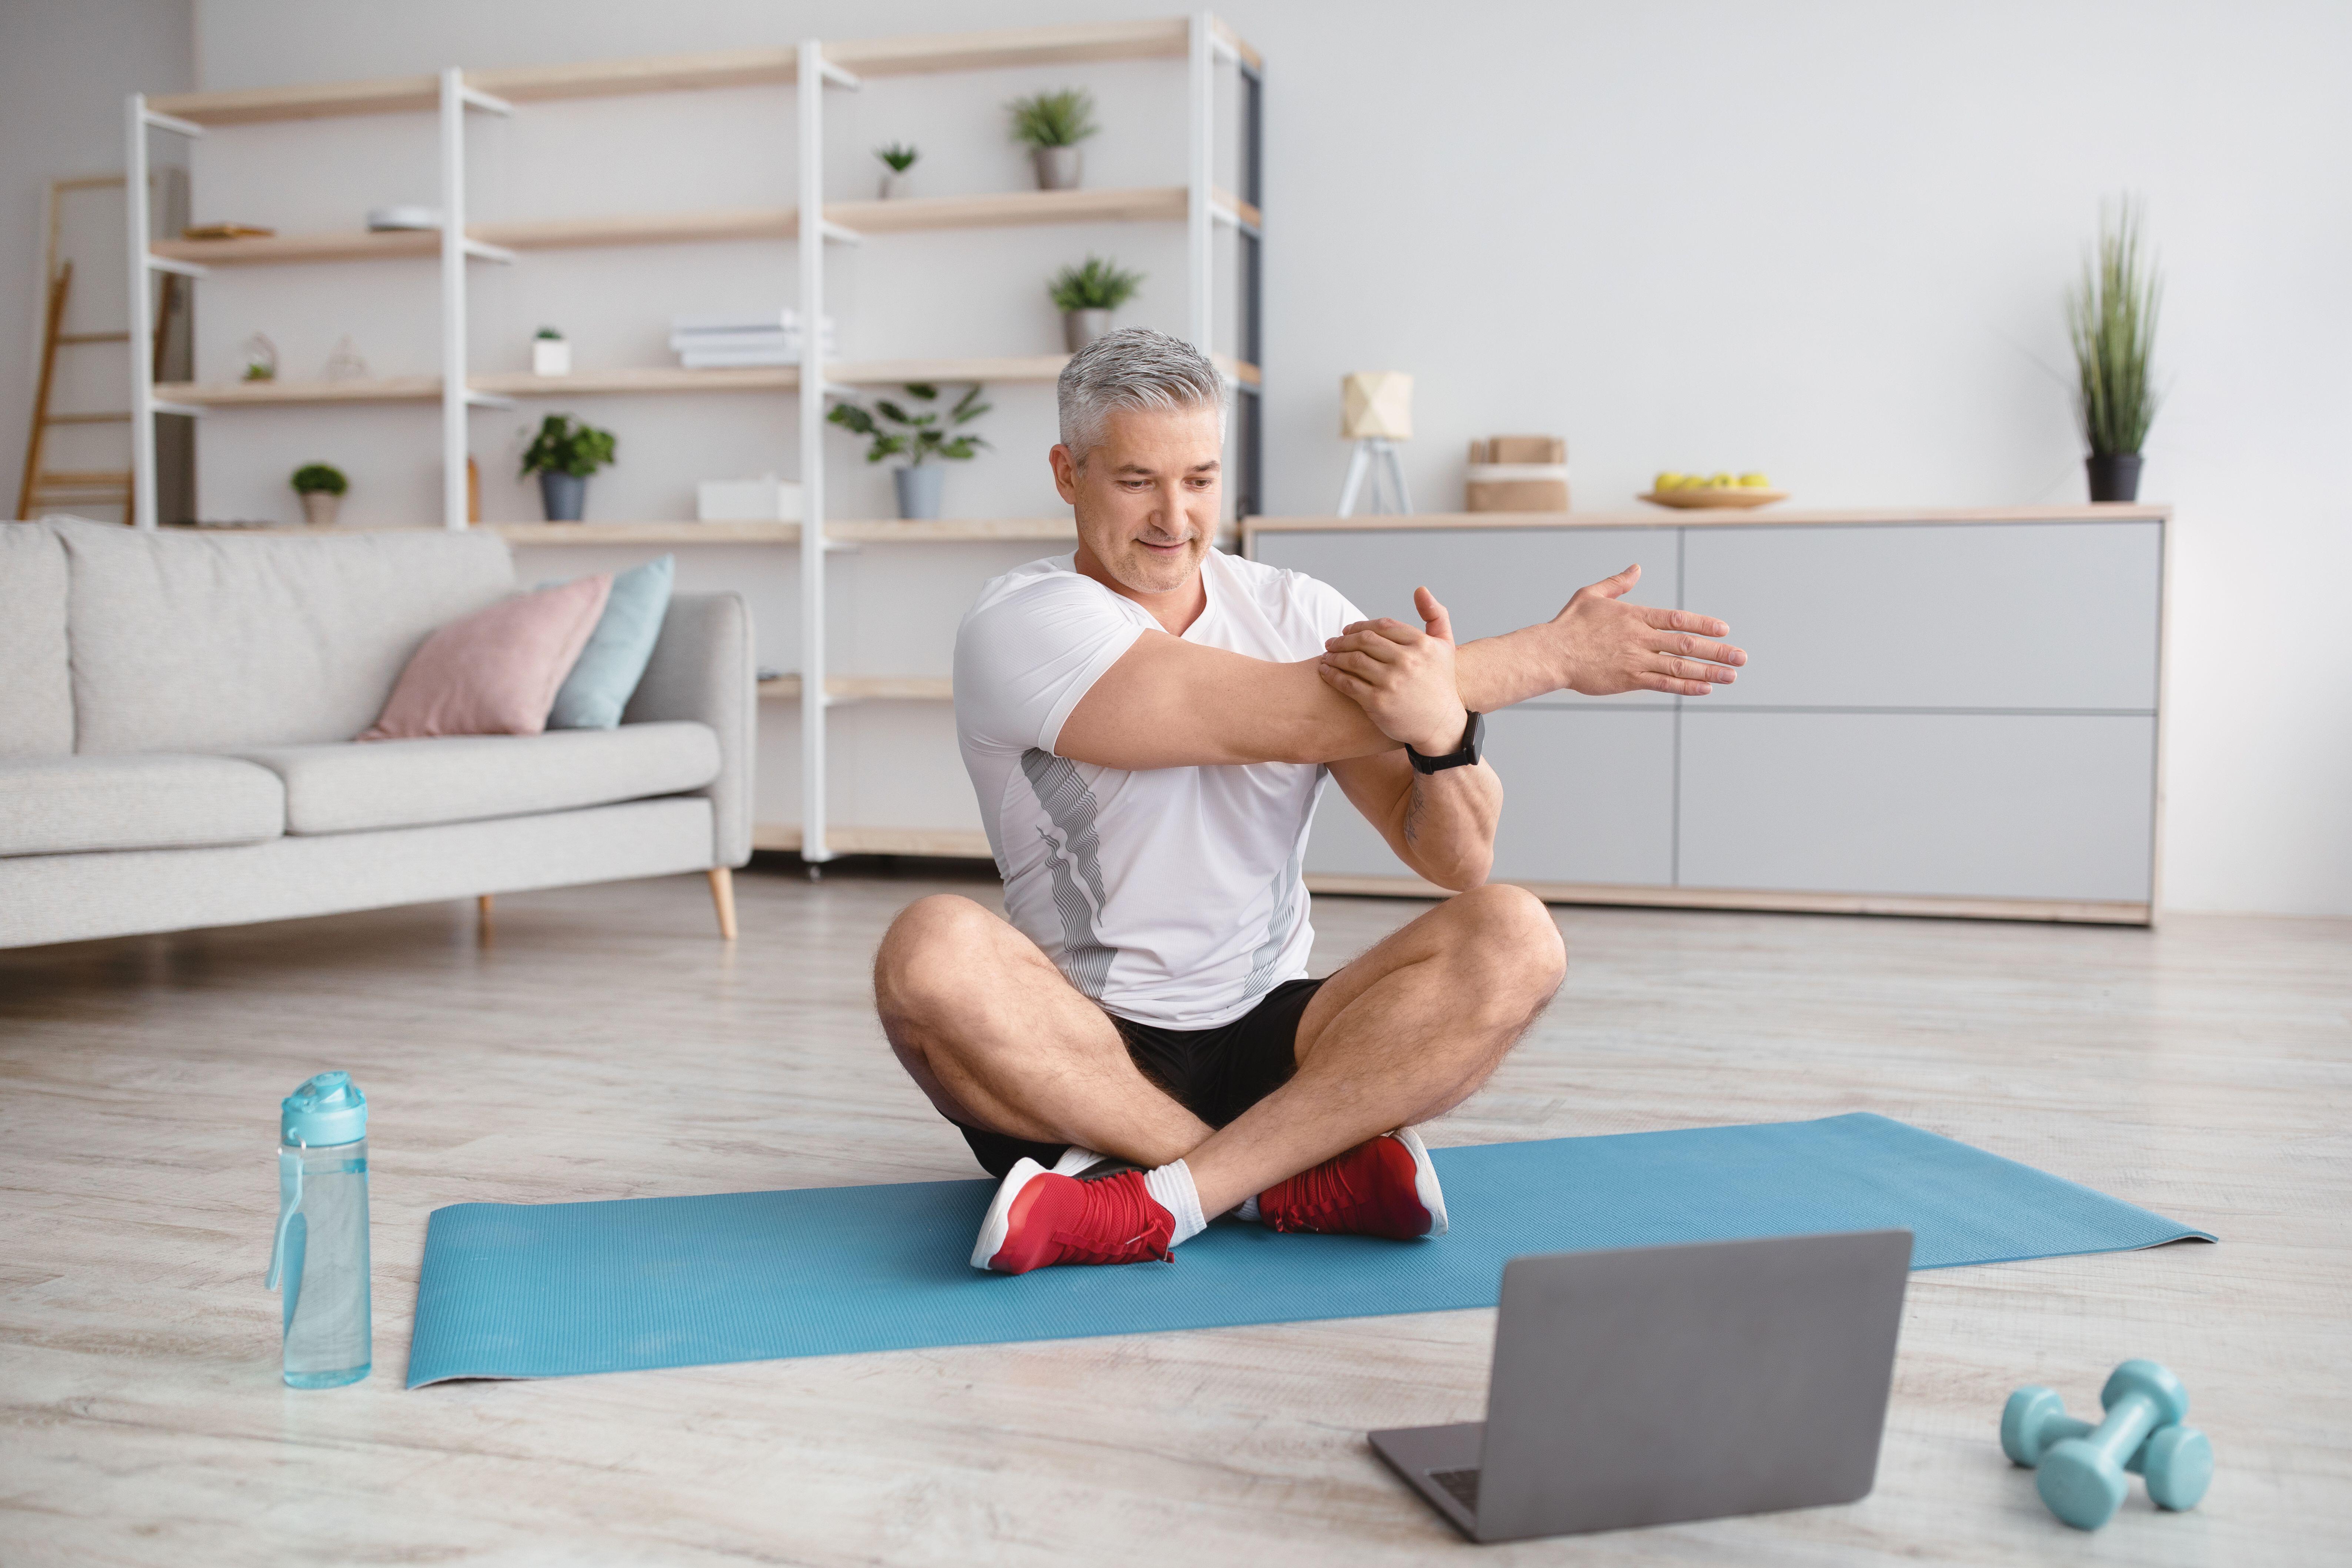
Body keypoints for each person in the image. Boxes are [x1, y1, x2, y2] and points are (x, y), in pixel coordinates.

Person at [874, 328, 1746, 1275]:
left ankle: (1153, 1199)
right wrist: (1551, 655)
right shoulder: (1021, 623)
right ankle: (1273, 1178)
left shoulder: (1298, 610)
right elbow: (1272, 716)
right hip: (1081, 1051)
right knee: (930, 947)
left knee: (1516, 932)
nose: (1175, 515)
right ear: (1065, 473)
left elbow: (1452, 859)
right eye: (1136, 481)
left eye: (1200, 479)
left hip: (1272, 1032)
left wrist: (1442, 725)